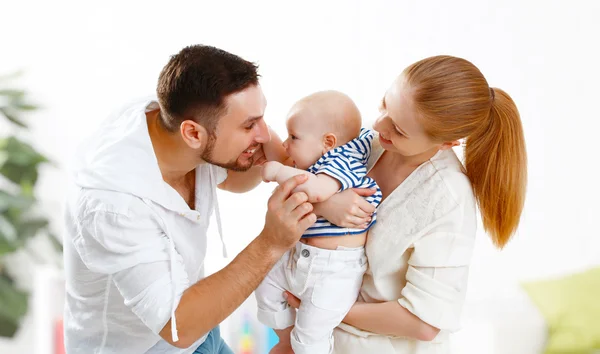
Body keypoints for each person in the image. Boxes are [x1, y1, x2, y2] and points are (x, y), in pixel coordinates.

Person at [62, 45, 317, 354]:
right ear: (193, 134)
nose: (265, 134)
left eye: (261, 118)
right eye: (250, 125)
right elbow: (177, 326)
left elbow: (237, 175)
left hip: (202, 333)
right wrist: (271, 243)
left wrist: (282, 161)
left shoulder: (172, 121)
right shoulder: (115, 204)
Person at [281, 55, 527, 354]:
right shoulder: (369, 140)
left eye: (399, 129)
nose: (380, 124)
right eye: (385, 103)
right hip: (315, 331)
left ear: (447, 142)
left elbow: (423, 322)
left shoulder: (447, 198)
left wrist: (321, 308)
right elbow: (294, 173)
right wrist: (325, 204)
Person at [255, 91, 382, 354]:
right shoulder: (314, 161)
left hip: (333, 271)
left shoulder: (342, 160)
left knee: (312, 335)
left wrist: (279, 171)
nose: (287, 145)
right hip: (298, 257)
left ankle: (298, 345)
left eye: (294, 137)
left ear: (328, 142)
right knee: (264, 285)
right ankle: (285, 339)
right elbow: (283, 156)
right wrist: (262, 129)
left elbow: (316, 191)